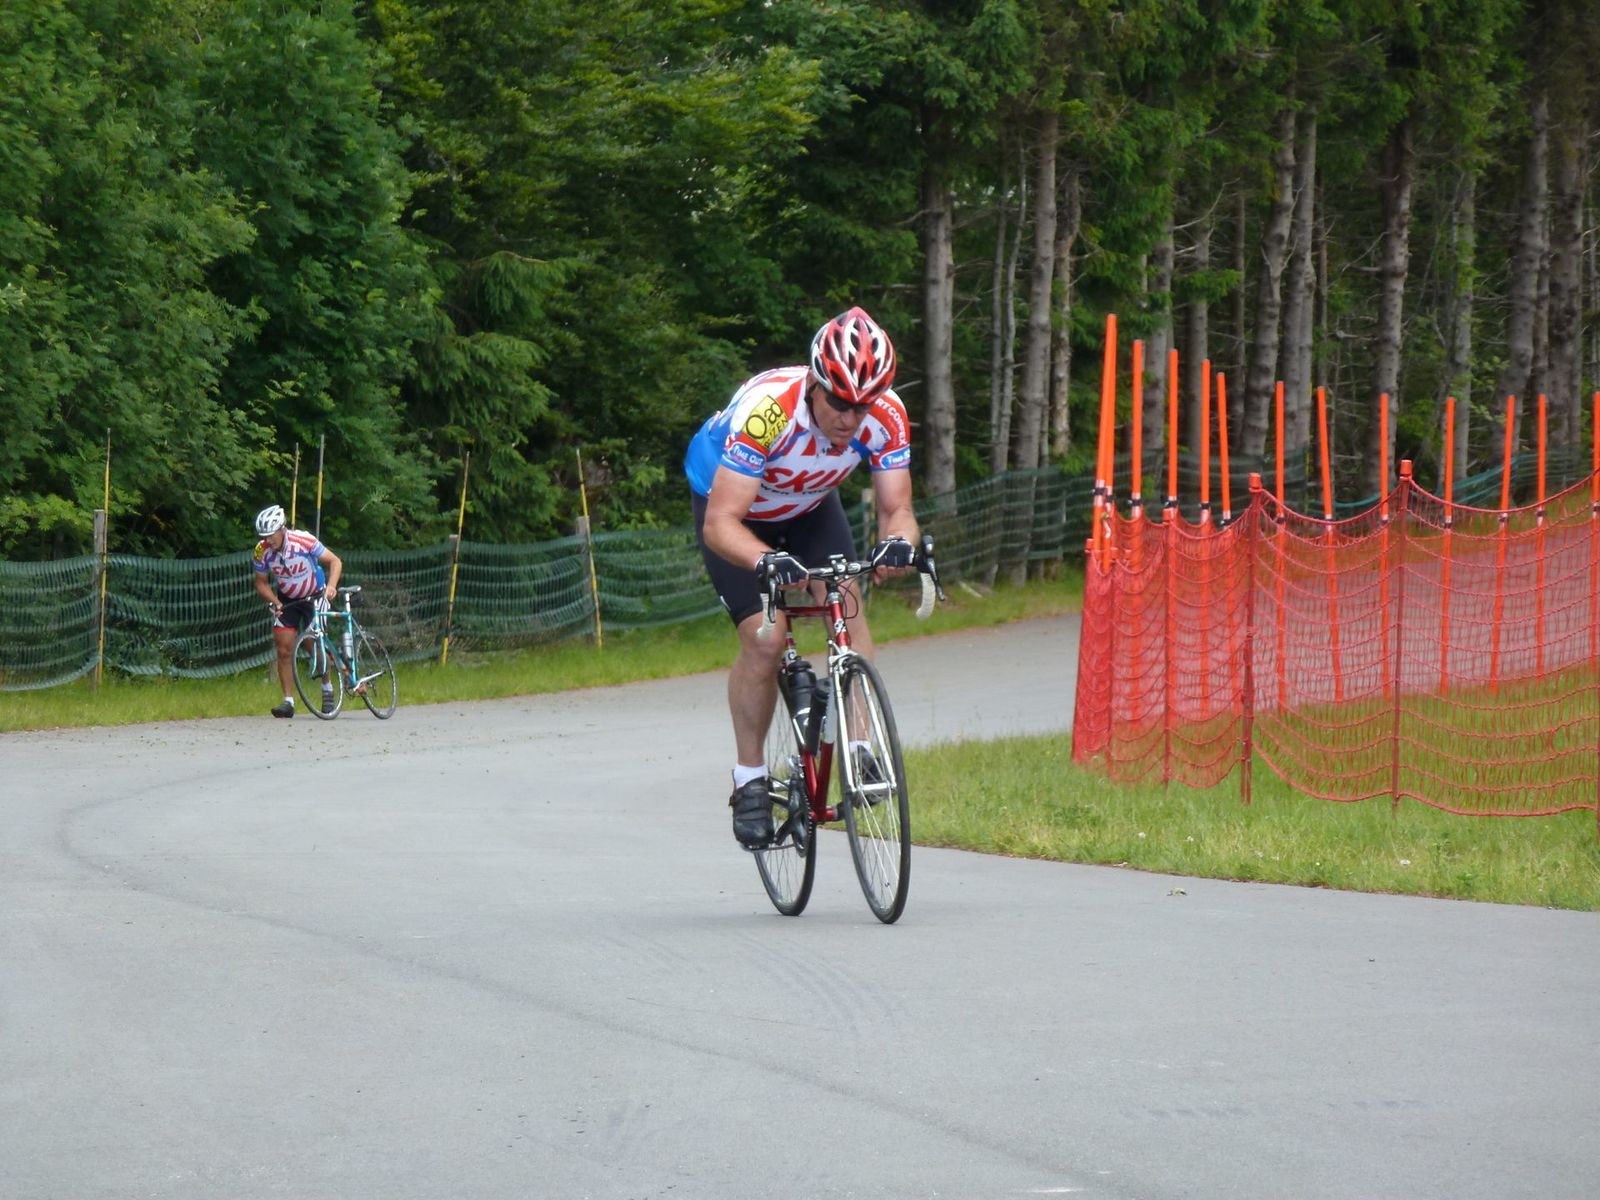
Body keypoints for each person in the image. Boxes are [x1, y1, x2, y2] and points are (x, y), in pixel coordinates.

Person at [684, 306, 920, 848]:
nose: (850, 419)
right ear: (814, 383)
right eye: (839, 402)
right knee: (766, 639)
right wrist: (765, 559)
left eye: (862, 405)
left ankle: (860, 750)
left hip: (809, 504)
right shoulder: (768, 412)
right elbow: (722, 524)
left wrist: (899, 545)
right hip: (734, 510)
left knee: (847, 606)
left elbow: (898, 510)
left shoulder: (886, 415)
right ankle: (749, 779)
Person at [251, 504, 343, 718]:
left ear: (282, 529)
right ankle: (288, 702)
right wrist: (274, 601)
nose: (268, 540)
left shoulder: (303, 540)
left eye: (271, 535)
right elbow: (261, 583)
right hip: (287, 599)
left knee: (312, 643)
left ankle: (327, 687)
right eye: (264, 536)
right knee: (283, 648)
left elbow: (335, 561)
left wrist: (331, 586)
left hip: (314, 596)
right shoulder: (261, 550)